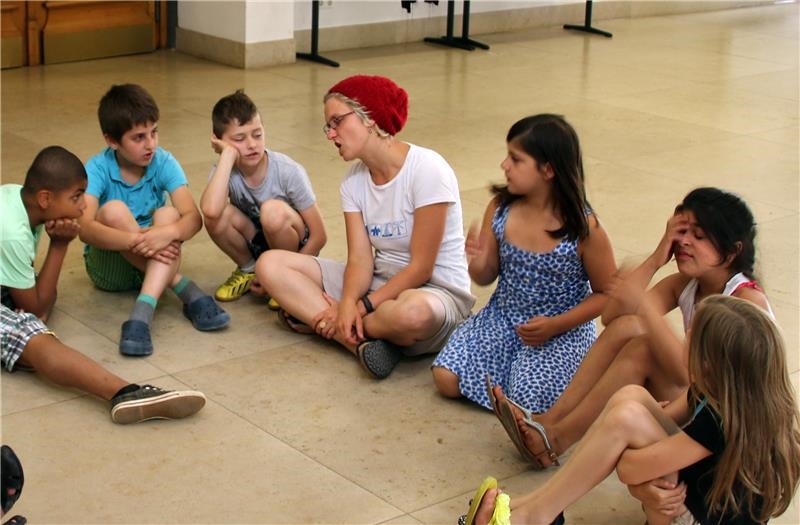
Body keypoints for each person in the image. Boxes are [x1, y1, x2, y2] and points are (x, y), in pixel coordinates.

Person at [491, 187, 773, 469]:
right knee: (629, 327)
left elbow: (695, 374)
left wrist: (645, 307)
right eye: (680, 233)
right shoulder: (686, 285)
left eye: (698, 237)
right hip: (692, 402)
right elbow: (613, 316)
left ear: (732, 251)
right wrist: (655, 258)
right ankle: (549, 421)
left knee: (643, 347)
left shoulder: (746, 302)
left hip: (723, 428)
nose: (684, 242)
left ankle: (557, 439)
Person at [462, 296, 800, 525]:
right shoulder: (717, 393)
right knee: (633, 398)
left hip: (691, 518)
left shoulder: (720, 421)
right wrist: (631, 459)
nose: (682, 336)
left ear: (709, 363)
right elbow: (651, 430)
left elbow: (630, 468)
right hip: (680, 499)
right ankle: (533, 507)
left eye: (690, 337)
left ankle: (533, 517)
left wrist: (629, 463)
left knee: (627, 418)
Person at [257, 75, 475, 379]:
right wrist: (347, 301)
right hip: (378, 282)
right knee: (270, 264)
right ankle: (357, 342)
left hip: (434, 293)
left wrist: (357, 307)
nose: (330, 134)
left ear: (369, 118)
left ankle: (339, 326)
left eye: (336, 122)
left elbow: (422, 268)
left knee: (412, 314)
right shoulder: (353, 182)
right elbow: (360, 259)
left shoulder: (428, 169)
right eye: (327, 126)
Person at [0, 146, 207, 424]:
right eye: (76, 197)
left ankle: (23, 353)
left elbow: (39, 297)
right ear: (45, 198)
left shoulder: (19, 199)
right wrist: (60, 245)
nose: (84, 206)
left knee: (38, 299)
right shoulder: (12, 233)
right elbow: (35, 305)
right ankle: (124, 392)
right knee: (28, 330)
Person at [431, 114, 616, 412]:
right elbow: (486, 275)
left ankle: (574, 374)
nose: (504, 165)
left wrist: (555, 325)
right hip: (503, 318)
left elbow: (608, 294)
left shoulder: (584, 228)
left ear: (548, 170)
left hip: (561, 330)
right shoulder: (501, 207)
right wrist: (476, 261)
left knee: (528, 398)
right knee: (446, 377)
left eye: (515, 159)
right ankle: (511, 379)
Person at [78, 84, 230, 357]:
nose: (150, 144)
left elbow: (193, 218)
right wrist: (137, 240)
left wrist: (167, 232)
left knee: (169, 215)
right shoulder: (97, 168)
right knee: (113, 211)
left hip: (155, 260)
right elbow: (85, 228)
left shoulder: (163, 161)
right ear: (112, 141)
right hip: (111, 268)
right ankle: (183, 287)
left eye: (154, 132)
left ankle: (140, 316)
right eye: (138, 137)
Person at [200, 89, 327, 304]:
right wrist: (227, 156)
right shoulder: (225, 169)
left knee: (272, 211)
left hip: (292, 249)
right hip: (259, 242)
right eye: (239, 139)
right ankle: (249, 269)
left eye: (257, 135)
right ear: (219, 141)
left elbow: (319, 235)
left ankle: (286, 278)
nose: (251, 144)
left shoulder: (287, 171)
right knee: (218, 215)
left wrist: (287, 270)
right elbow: (210, 211)